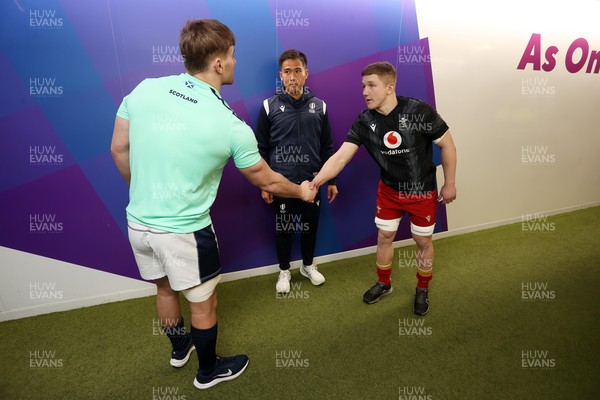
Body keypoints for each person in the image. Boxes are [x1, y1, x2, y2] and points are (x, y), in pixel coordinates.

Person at [110, 19, 316, 390]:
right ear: (218, 63)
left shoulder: (145, 89)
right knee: (203, 303)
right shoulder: (231, 125)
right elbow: (267, 179)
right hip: (185, 232)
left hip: (138, 224)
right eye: (233, 56)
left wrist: (142, 190)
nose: (236, 63)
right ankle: (208, 371)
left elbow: (118, 149)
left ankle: (179, 349)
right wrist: (302, 192)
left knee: (164, 289)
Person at [311, 61, 457, 316]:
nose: (364, 92)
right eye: (363, 86)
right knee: (384, 237)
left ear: (390, 87)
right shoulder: (365, 121)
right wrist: (315, 183)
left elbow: (448, 145)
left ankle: (422, 288)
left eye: (371, 86)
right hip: (389, 191)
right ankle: (384, 283)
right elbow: (340, 158)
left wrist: (450, 183)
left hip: (421, 190)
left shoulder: (418, 111)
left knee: (422, 240)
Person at [255, 49, 338, 294]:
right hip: (282, 184)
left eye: (297, 71)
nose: (293, 76)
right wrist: (265, 184)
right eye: (288, 72)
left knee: (310, 228)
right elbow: (261, 148)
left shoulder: (320, 106)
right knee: (284, 230)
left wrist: (331, 179)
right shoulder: (268, 107)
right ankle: (284, 271)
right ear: (281, 75)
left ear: (306, 74)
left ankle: (308, 266)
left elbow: (328, 146)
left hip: (312, 182)